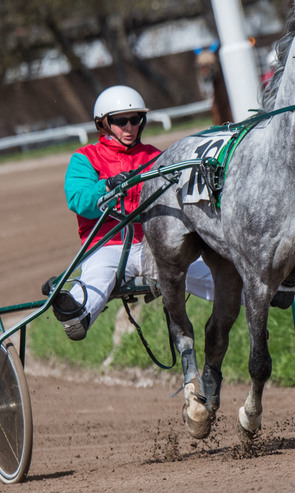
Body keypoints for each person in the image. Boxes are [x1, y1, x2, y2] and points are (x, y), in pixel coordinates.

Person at [52, 85, 214, 340]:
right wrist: (106, 186)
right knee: (98, 277)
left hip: (157, 243)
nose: (129, 127)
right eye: (120, 121)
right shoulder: (85, 159)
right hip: (108, 244)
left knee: (208, 272)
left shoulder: (157, 157)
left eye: (135, 119)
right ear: (103, 124)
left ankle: (262, 291)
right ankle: (75, 313)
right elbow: (79, 201)